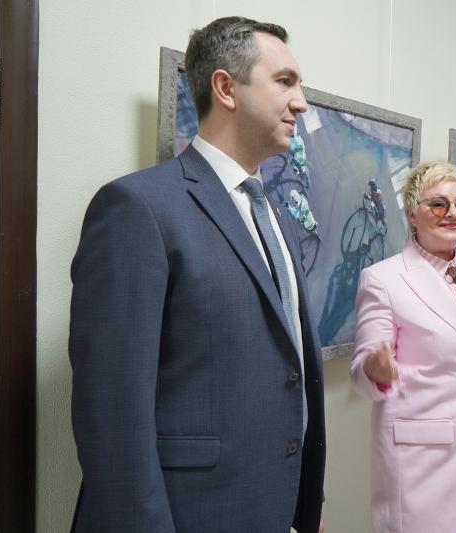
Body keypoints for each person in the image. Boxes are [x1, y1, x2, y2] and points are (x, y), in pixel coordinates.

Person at [68, 17, 326, 533]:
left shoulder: (272, 212)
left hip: (273, 508)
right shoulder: (137, 207)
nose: (301, 102)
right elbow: (112, 412)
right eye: (284, 82)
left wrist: (303, 506)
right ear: (226, 88)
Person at [349, 161, 456, 533]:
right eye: (439, 204)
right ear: (412, 213)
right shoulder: (384, 279)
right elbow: (363, 367)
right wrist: (374, 370)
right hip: (427, 459)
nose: (453, 213)